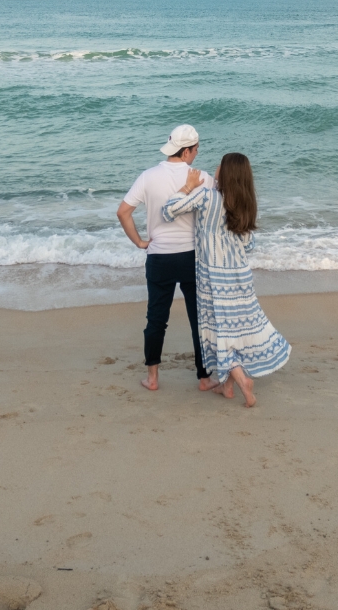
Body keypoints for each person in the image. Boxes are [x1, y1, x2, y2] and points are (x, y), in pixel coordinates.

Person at [161, 152, 290, 408]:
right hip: (239, 274)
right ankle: (227, 386)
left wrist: (188, 186)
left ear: (227, 172)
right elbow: (248, 243)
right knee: (234, 328)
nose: (216, 166)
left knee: (219, 329)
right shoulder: (244, 204)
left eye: (220, 164)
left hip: (213, 275)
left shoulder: (208, 197)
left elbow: (168, 210)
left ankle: (242, 380)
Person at [116, 124, 219, 393]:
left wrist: (140, 242)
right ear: (186, 151)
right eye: (195, 150)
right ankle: (205, 378)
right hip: (191, 258)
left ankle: (152, 378)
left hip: (159, 258)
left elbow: (123, 212)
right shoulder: (202, 177)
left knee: (156, 319)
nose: (196, 154)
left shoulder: (148, 176)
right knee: (199, 320)